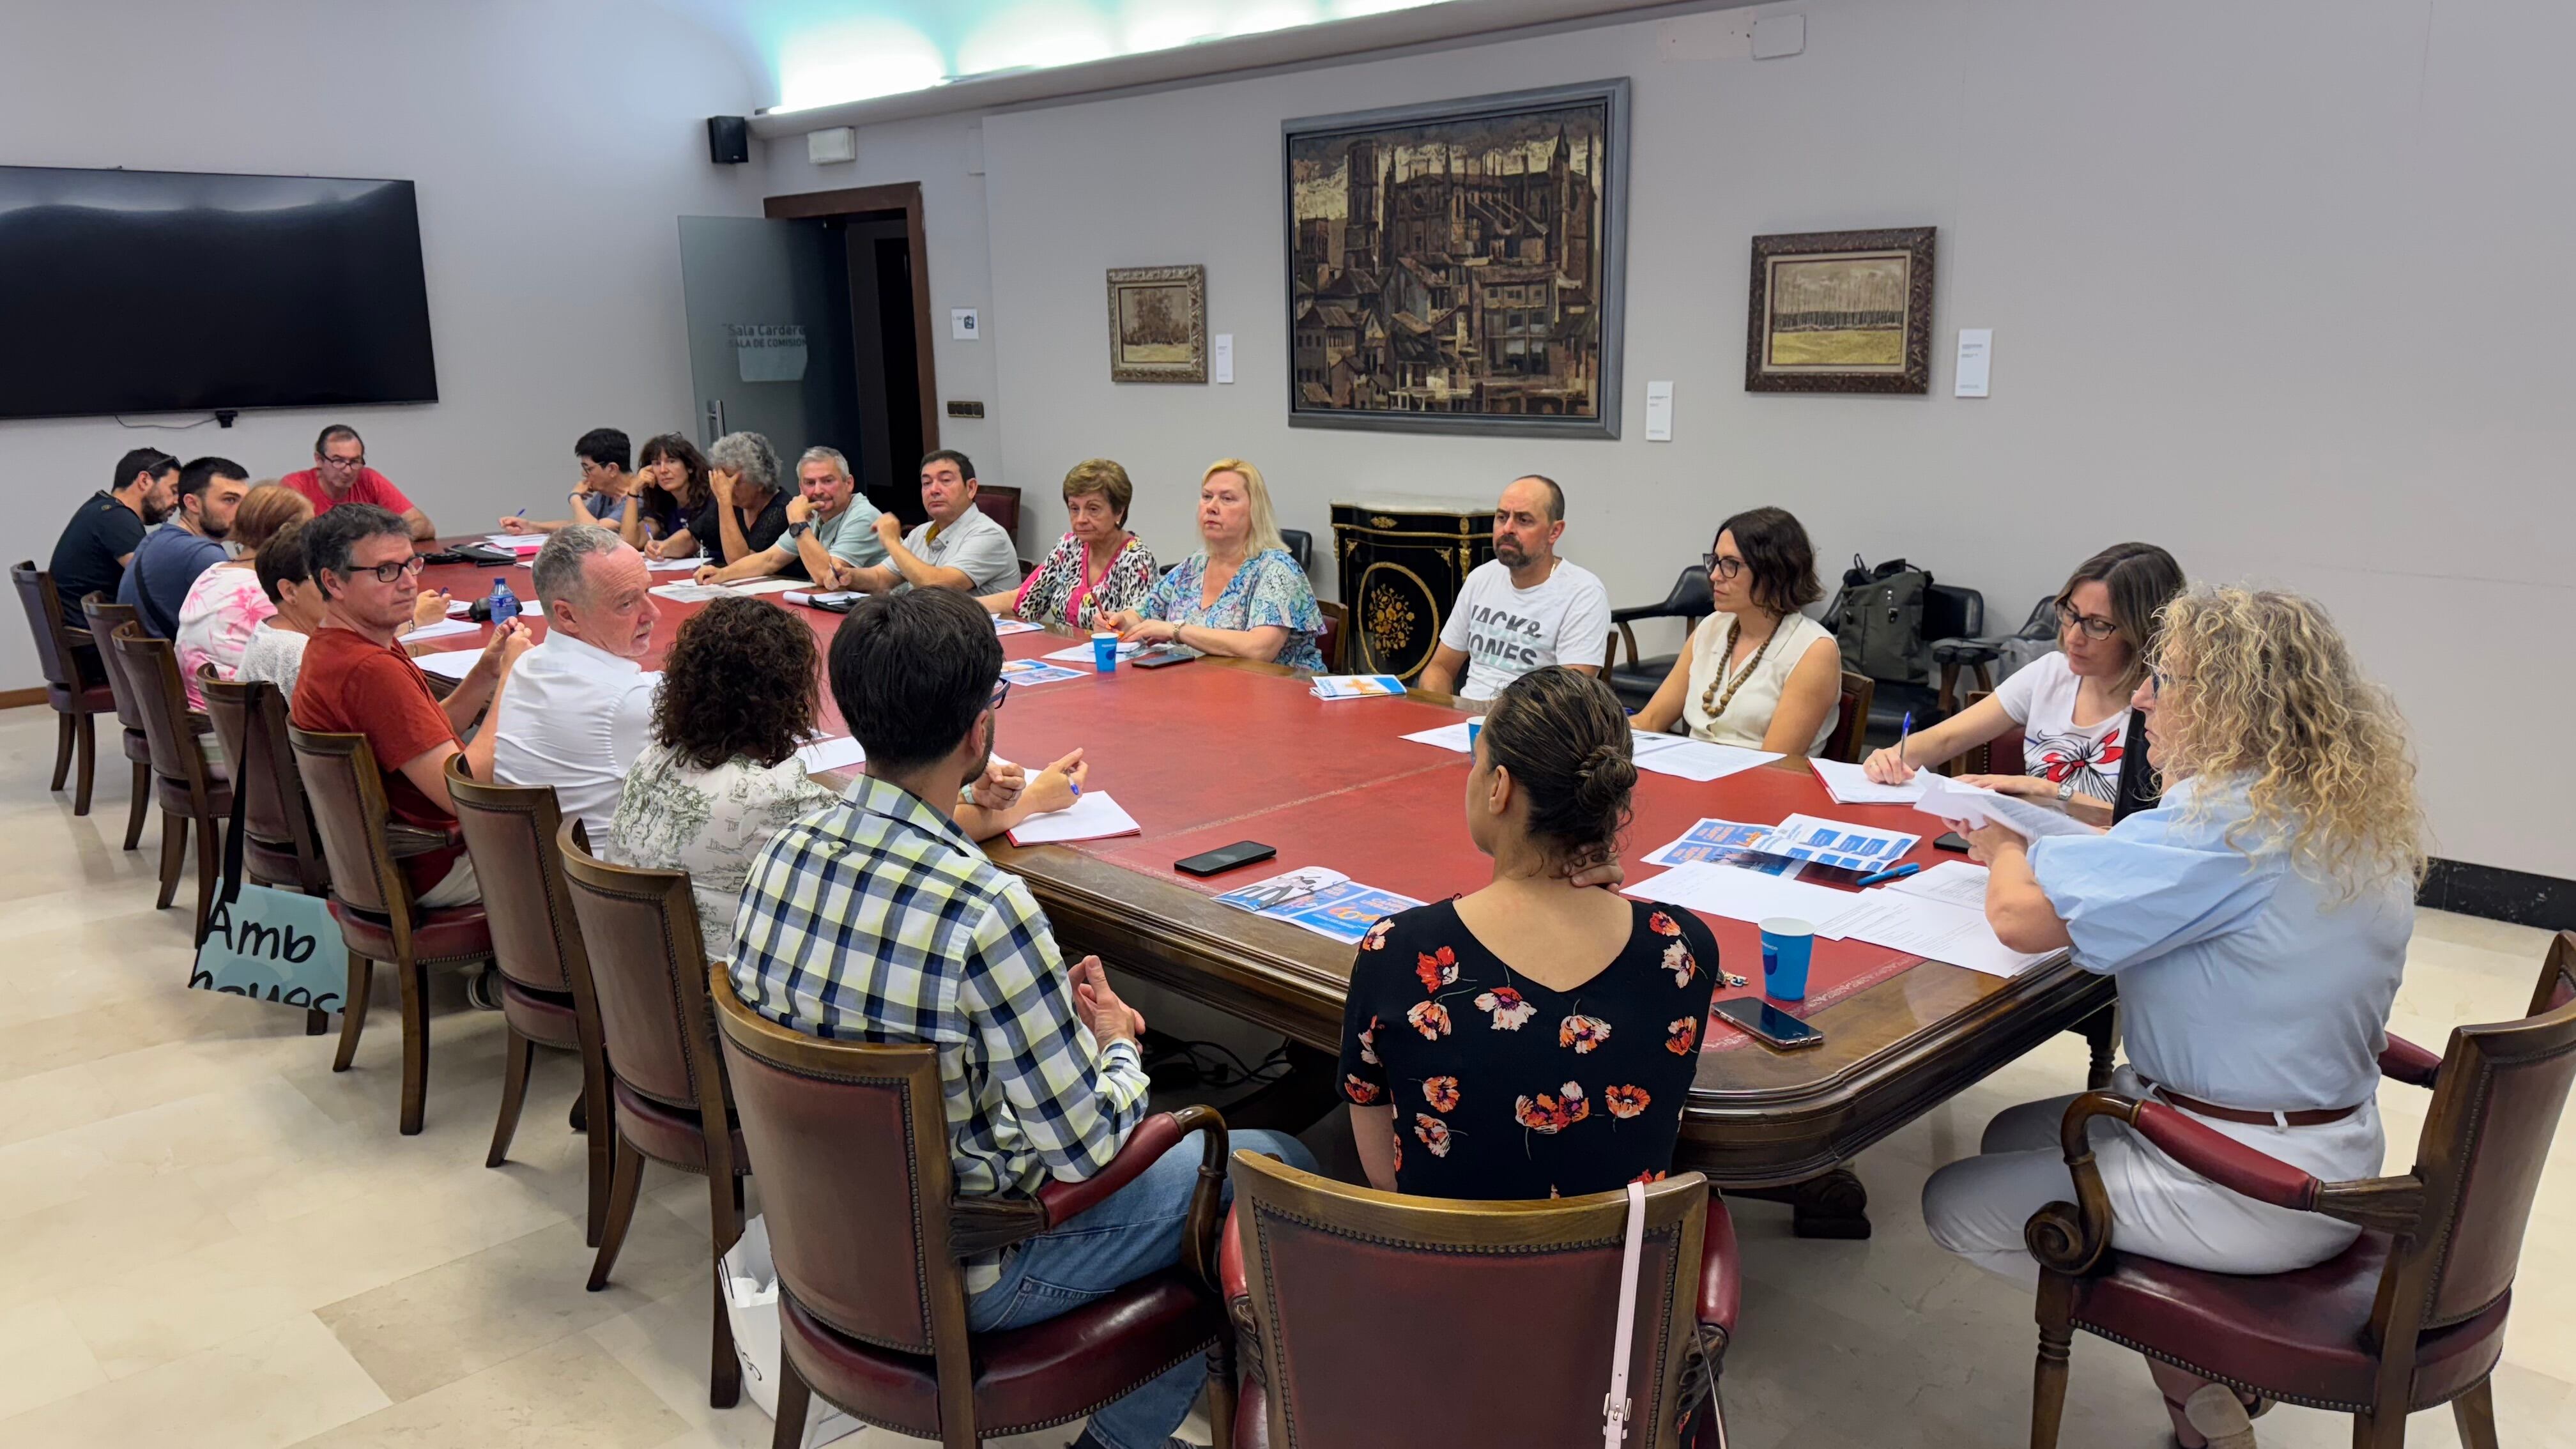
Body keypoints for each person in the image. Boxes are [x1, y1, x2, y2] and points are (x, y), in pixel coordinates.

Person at [728, 587, 1313, 1449]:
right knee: (1264, 1163)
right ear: (976, 730)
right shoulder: (984, 907)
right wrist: (1118, 1050)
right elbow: (1085, 1149)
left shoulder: (784, 850)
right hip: (965, 1267)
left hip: (822, 1235)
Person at [1920, 586, 2425, 1449]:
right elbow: (2148, 864)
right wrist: (2053, 842)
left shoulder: (2225, 825)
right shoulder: (2336, 812)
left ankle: (2193, 1372)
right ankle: (2206, 1388)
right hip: (2329, 1146)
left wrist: (2006, 848)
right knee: (2012, 1135)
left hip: (2251, 1181)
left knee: (1955, 1202)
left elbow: (2022, 921)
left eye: (2167, 678)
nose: (2144, 697)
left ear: (2231, 704)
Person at [1337, 666, 1720, 1198]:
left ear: (1499, 787)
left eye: (1478, 760)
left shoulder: (1398, 951)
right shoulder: (1681, 947)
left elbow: (1384, 1173)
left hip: (1439, 1269)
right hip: (1620, 1275)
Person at [606, 594, 1087, 959]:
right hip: (727, 1035)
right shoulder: (775, 799)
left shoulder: (656, 757)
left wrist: (963, 780)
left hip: (651, 1010)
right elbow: (901, 837)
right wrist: (1031, 802)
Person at [290, 504, 531, 908]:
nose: (407, 584)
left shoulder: (340, 644)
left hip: (391, 860)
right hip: (434, 866)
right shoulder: (369, 670)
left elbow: (424, 737)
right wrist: (512, 682)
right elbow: (465, 792)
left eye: (411, 565)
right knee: (588, 843)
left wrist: (486, 674)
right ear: (333, 582)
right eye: (386, 571)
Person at [1862, 542, 2184, 826]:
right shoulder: (2051, 674)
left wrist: (2049, 791)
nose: (2073, 637)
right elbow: (1945, 739)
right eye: (2070, 614)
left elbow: (2150, 827)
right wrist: (1892, 757)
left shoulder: (2171, 708)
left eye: (2098, 625)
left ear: (2145, 632)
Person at [488, 526, 663, 839]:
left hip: (535, 873)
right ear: (567, 616)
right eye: (626, 603)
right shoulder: (625, 701)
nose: (653, 614)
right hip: (606, 881)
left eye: (647, 592)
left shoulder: (527, 664)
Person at [1631, 506, 1840, 754]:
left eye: (1731, 564)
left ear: (1774, 572)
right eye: (1715, 562)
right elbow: (1651, 721)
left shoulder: (1814, 650)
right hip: (1694, 775)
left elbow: (1775, 764)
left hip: (1760, 785)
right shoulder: (1712, 627)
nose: (1715, 576)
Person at [1099, 459, 1324, 671]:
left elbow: (1260, 649)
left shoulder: (1277, 569)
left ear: (1255, 510)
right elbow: (1142, 613)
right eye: (1207, 497)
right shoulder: (1196, 563)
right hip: (1203, 691)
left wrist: (1177, 631)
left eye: (1227, 499)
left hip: (1277, 697)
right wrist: (1121, 622)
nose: (1212, 507)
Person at [1417, 474, 1611, 702]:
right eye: (1501, 517)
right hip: (1465, 723)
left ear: (1554, 532)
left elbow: (1568, 702)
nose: (1507, 528)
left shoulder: (1583, 594)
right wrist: (1438, 715)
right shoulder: (1481, 578)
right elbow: (1440, 668)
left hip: (1530, 730)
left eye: (1523, 520)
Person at [174, 484, 310, 707]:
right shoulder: (270, 591)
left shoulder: (211, 573)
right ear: (287, 534)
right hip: (237, 722)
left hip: (200, 710)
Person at [983, 457, 1159, 627]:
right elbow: (1025, 599)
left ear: (1119, 511)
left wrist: (1119, 625)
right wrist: (962, 607)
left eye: (1093, 509)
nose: (1081, 519)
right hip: (1062, 651)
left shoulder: (1136, 559)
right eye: (1074, 508)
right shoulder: (1069, 546)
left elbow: (1137, 623)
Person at [691, 446, 887, 586]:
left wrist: (798, 523)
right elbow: (769, 560)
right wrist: (722, 574)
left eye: (828, 481)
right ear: (801, 487)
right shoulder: (816, 514)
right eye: (810, 483)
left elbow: (828, 577)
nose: (818, 490)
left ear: (849, 483)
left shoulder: (863, 516)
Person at [842, 449, 1021, 595]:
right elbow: (881, 578)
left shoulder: (989, 534)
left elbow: (937, 586)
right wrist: (847, 576)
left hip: (979, 635)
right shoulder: (921, 532)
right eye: (926, 483)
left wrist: (891, 542)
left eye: (945, 481)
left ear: (971, 488)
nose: (934, 490)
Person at [119, 456, 249, 639]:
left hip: (152, 663)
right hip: (180, 665)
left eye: (246, 501)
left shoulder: (159, 537)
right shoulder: (203, 554)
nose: (244, 511)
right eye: (230, 500)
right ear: (193, 503)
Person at [49, 448, 178, 632]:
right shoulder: (115, 517)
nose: (177, 501)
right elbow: (152, 581)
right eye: (173, 491)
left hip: (88, 637)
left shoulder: (100, 508)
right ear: (144, 480)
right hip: (98, 647)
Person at [650, 430, 788, 569]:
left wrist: (724, 501)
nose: (726, 487)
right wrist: (662, 547)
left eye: (735, 481)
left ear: (760, 482)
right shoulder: (736, 505)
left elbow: (740, 564)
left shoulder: (781, 510)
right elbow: (693, 539)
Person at [278, 425, 436, 540]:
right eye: (338, 461)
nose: (348, 470)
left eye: (355, 461)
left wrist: (377, 542)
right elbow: (290, 541)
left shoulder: (368, 478)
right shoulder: (295, 486)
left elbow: (422, 525)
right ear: (319, 460)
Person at [495, 429, 642, 536]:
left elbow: (593, 531)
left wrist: (574, 497)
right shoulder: (607, 494)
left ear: (612, 469)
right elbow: (579, 524)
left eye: (589, 469)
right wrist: (533, 527)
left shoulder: (638, 496)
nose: (584, 474)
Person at [238, 521, 324, 702]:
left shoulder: (270, 630)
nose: (338, 586)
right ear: (290, 591)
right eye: (322, 577)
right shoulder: (298, 654)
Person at [628, 432, 707, 549]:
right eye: (657, 463)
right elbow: (632, 542)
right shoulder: (663, 504)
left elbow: (689, 541)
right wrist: (633, 490)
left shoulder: (711, 497)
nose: (663, 470)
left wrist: (662, 548)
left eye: (671, 461)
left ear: (690, 467)